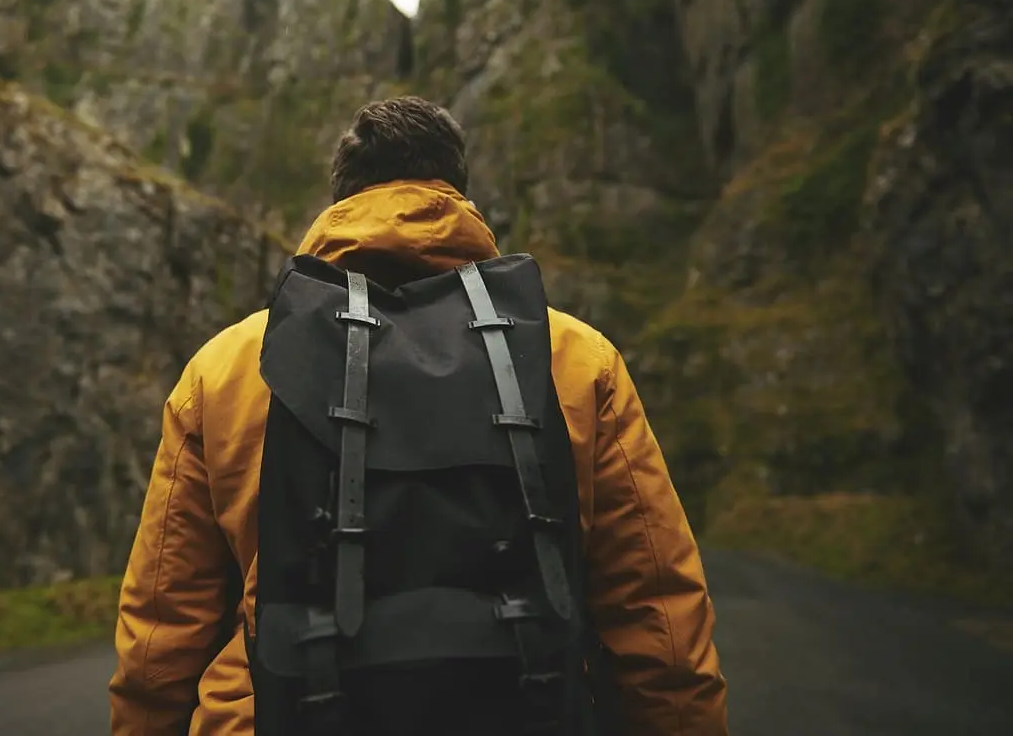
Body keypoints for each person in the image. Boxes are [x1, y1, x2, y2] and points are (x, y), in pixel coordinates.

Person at [109, 96, 729, 736]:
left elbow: (161, 640)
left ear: (340, 199)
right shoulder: (573, 356)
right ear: (455, 193)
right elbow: (659, 620)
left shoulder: (228, 368)